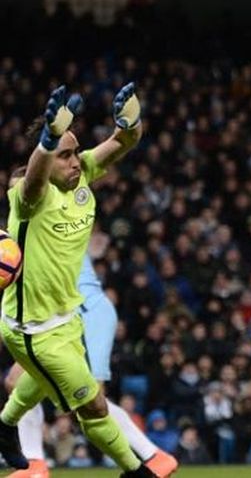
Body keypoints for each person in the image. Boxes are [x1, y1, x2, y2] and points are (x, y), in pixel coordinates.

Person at [0, 84, 156, 477]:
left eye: (74, 152)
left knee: (39, 381)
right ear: (47, 156)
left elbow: (124, 142)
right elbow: (34, 175)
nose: (73, 161)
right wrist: (48, 142)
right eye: (63, 154)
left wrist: (131, 121)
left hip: (67, 314)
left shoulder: (82, 172)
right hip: (32, 329)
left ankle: (3, 426)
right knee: (93, 406)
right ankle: (136, 471)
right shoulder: (27, 194)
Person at [4, 253, 179, 477]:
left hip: (85, 312)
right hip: (58, 316)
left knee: (91, 401)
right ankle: (34, 462)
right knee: (15, 380)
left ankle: (153, 456)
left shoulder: (43, 224)